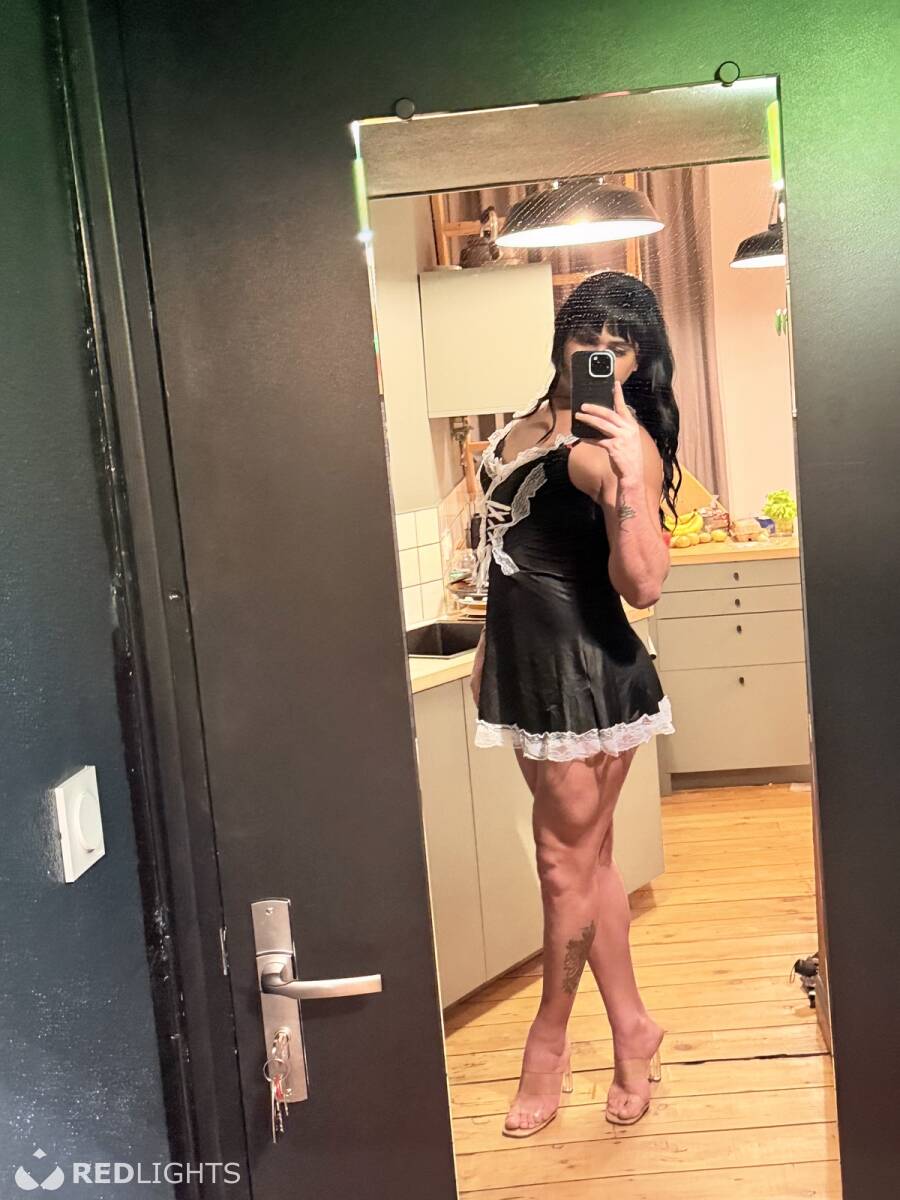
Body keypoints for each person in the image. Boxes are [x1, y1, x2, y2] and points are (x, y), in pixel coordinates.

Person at [470, 270, 680, 1136]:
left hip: (586, 683)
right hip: (528, 676)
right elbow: (503, 553)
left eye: (617, 346)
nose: (595, 353)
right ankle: (634, 1031)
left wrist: (632, 478)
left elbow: (644, 584)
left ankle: (548, 1042)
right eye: (584, 336)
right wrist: (487, 656)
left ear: (638, 361)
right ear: (560, 338)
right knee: (588, 867)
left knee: (564, 871)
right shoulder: (526, 423)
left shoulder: (613, 448)